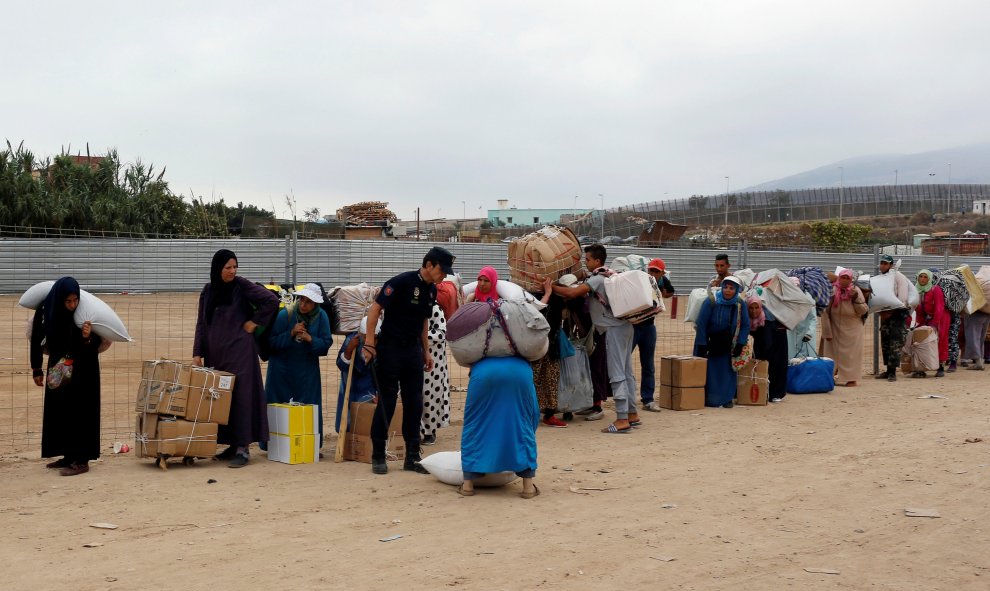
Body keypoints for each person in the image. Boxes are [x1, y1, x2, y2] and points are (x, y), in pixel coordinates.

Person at [362, 246, 455, 475]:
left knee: (414, 403)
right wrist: (370, 343)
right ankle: (377, 455)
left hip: (413, 351)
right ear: (430, 264)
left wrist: (426, 351)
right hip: (390, 349)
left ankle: (412, 456)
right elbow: (375, 309)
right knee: (387, 402)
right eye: (442, 270)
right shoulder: (401, 282)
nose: (444, 275)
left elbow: (423, 320)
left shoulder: (432, 291)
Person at [194, 249, 278, 468]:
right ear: (217, 269)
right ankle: (231, 445)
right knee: (222, 399)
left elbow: (271, 300)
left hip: (240, 354)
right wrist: (197, 353)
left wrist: (255, 322)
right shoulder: (208, 291)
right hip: (217, 356)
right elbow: (202, 324)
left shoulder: (242, 286)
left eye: (234, 267)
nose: (232, 271)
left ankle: (243, 448)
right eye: (227, 268)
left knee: (241, 398)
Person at [553, 243, 641, 434]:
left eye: (588, 260)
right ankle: (632, 414)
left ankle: (622, 419)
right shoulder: (608, 273)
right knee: (627, 372)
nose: (587, 263)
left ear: (597, 261)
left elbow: (573, 292)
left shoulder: (598, 279)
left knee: (616, 373)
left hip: (612, 329)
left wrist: (551, 286)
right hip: (625, 326)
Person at [29, 277, 104, 476]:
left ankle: (82, 459)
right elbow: (37, 338)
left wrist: (88, 337)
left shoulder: (84, 312)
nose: (72, 305)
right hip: (59, 367)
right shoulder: (46, 310)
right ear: (60, 299)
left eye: (75, 300)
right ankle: (68, 455)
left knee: (80, 412)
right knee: (60, 410)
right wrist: (36, 369)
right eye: (68, 301)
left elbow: (97, 343)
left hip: (83, 371)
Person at [457, 355, 540, 498]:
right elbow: (534, 414)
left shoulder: (481, 343)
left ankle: (468, 485)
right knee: (523, 421)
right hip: (520, 371)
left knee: (474, 423)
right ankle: (528, 487)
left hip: (482, 371)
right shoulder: (521, 343)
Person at [265, 283, 332, 446]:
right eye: (302, 299)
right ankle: (273, 445)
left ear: (315, 303)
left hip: (307, 370)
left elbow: (326, 343)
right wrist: (291, 333)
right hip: (281, 369)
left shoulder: (321, 317)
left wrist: (311, 339)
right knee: (277, 405)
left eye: (308, 302)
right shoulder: (285, 315)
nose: (303, 304)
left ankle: (309, 444)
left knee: (309, 406)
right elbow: (271, 342)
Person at [693, 276, 749, 408]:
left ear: (736, 290)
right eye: (725, 287)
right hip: (710, 342)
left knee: (727, 372)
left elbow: (746, 324)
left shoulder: (740, 303)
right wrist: (702, 344)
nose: (727, 291)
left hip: (729, 344)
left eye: (731, 288)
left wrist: (740, 343)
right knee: (710, 372)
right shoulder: (712, 301)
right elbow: (701, 324)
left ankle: (727, 398)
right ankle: (710, 399)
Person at [634, 259, 675, 412]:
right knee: (624, 362)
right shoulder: (640, 280)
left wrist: (663, 293)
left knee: (648, 365)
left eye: (656, 271)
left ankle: (648, 399)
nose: (652, 273)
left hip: (648, 327)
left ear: (662, 273)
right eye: (651, 270)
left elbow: (670, 292)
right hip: (633, 326)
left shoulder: (663, 281)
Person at [821, 268, 869, 386]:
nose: (845, 280)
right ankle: (829, 377)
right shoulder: (832, 290)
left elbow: (863, 311)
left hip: (852, 328)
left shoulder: (856, 290)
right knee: (830, 353)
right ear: (839, 278)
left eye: (848, 278)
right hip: (834, 326)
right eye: (843, 277)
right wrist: (827, 331)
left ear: (851, 279)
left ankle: (851, 378)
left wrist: (855, 298)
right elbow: (825, 311)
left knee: (851, 355)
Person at [530, 278, 568, 428]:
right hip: (535, 345)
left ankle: (550, 414)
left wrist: (552, 291)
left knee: (551, 378)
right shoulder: (528, 295)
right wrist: (546, 293)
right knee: (533, 378)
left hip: (552, 343)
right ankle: (531, 412)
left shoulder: (557, 297)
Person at [335, 316, 380, 432]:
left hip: (368, 389)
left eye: (375, 338)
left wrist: (380, 393)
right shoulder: (351, 339)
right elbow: (340, 365)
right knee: (345, 423)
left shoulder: (382, 345)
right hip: (349, 386)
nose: (371, 341)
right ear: (361, 334)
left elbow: (384, 373)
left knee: (364, 424)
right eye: (366, 337)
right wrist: (348, 350)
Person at [874, 254, 913, 382]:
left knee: (895, 343)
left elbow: (902, 298)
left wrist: (892, 311)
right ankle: (888, 370)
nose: (883, 266)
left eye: (885, 263)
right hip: (885, 315)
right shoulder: (880, 278)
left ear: (891, 265)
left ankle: (893, 372)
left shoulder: (899, 277)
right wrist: (881, 312)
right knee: (885, 343)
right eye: (882, 263)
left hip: (898, 315)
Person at [748, 293, 788, 402]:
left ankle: (775, 394)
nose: (754, 311)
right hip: (763, 345)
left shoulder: (768, 319)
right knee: (761, 367)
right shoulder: (751, 319)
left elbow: (768, 341)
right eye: (751, 308)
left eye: (756, 308)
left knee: (776, 366)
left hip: (777, 342)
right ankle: (763, 392)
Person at [420, 303, 451, 445]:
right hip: (412, 358)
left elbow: (441, 332)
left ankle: (429, 432)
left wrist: (420, 337)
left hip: (433, 364)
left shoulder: (435, 308)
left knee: (429, 396)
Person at [913, 269, 949, 378]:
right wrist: (919, 324)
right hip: (925, 318)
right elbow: (917, 308)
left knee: (940, 341)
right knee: (922, 341)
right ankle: (922, 367)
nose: (922, 279)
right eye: (921, 276)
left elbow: (939, 307)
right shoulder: (916, 290)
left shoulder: (935, 289)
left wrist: (935, 323)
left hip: (941, 318)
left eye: (925, 277)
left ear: (929, 279)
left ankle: (941, 367)